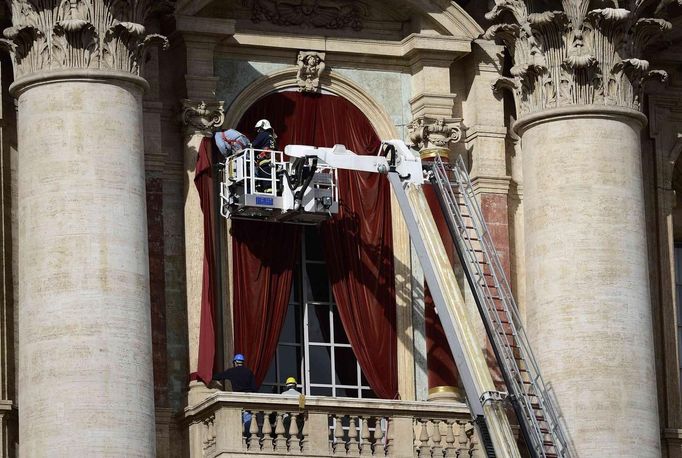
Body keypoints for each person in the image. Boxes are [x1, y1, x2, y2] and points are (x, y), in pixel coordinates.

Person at [213, 354, 257, 433]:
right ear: (242, 362)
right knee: (248, 423)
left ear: (235, 362)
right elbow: (254, 387)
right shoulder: (249, 372)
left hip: (238, 399)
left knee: (238, 423)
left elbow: (218, 376)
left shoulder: (232, 371)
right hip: (249, 399)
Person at [252, 119, 277, 192]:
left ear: (263, 127)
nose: (258, 131)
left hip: (265, 162)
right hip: (272, 161)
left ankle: (267, 191)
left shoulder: (263, 134)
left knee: (266, 183)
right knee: (271, 180)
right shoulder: (271, 137)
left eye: (259, 129)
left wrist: (246, 146)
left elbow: (254, 144)